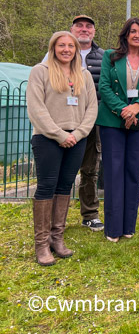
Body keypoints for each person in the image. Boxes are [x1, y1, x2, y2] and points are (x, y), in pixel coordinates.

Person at [26, 31, 98, 265]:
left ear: (76, 49)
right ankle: (42, 244)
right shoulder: (40, 71)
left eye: (70, 46)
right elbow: (36, 109)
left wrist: (77, 134)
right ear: (53, 48)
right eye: (61, 45)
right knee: (47, 186)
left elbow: (91, 109)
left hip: (76, 139)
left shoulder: (83, 75)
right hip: (48, 138)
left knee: (65, 186)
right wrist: (59, 135)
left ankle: (57, 238)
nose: (66, 49)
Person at [96, 18, 139, 242]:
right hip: (112, 121)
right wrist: (124, 110)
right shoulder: (110, 57)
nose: (137, 35)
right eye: (133, 31)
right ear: (126, 34)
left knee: (134, 173)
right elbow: (104, 86)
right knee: (114, 173)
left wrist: (136, 107)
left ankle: (128, 227)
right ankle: (112, 229)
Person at [43, 15, 104, 231]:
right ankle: (55, 218)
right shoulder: (54, 55)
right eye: (80, 26)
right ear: (72, 29)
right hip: (58, 123)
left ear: (94, 32)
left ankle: (90, 214)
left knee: (90, 170)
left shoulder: (103, 57)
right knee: (58, 172)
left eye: (89, 26)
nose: (84, 29)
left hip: (90, 123)